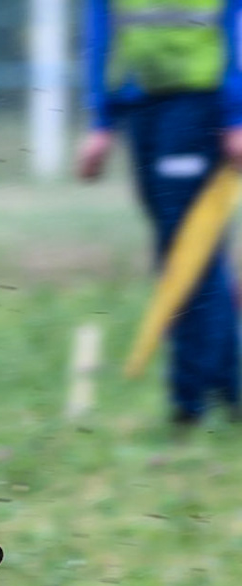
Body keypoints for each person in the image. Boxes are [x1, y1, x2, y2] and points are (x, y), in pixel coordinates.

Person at [78, 0, 242, 424]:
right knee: (185, 249)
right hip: (141, 106)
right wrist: (100, 121)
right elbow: (100, 29)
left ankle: (188, 404)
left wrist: (237, 114)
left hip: (199, 101)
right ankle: (229, 390)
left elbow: (235, 20)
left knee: (189, 251)